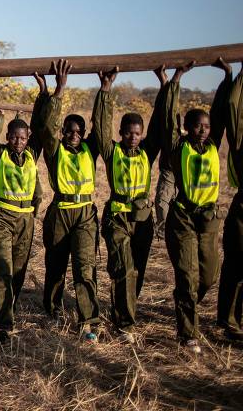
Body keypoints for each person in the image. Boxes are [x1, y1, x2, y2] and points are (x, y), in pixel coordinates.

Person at [161, 61, 231, 353]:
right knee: (187, 276)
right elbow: (167, 119)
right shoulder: (179, 148)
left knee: (210, 274)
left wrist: (228, 77)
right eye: (196, 126)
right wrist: (174, 80)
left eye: (205, 126)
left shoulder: (214, 144)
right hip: (183, 219)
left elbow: (220, 110)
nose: (202, 130)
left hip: (209, 219)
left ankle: (185, 299)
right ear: (186, 128)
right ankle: (187, 333)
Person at [93, 66, 167, 342]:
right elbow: (100, 127)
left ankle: (124, 309)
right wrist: (105, 91)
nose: (133, 137)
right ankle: (125, 325)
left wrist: (165, 87)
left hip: (143, 220)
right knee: (123, 268)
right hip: (117, 218)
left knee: (137, 271)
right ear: (121, 132)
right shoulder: (112, 153)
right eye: (128, 133)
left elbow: (161, 123)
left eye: (137, 134)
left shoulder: (148, 151)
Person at [0, 74, 44, 342]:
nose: (18, 141)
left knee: (18, 271)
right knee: (2, 268)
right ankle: (3, 325)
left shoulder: (32, 154)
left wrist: (44, 94)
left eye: (23, 138)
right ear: (7, 138)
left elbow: (41, 125)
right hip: (2, 217)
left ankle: (9, 309)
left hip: (26, 219)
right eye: (14, 137)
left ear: (28, 139)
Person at [38, 60, 102, 342]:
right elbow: (48, 128)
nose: (74, 135)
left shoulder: (91, 149)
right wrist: (59, 91)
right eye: (69, 131)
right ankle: (52, 309)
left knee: (85, 266)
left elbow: (103, 125)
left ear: (84, 134)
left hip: (85, 213)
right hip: (60, 212)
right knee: (55, 263)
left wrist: (105, 89)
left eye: (79, 132)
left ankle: (87, 321)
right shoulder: (54, 151)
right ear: (63, 132)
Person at [217, 57, 243, 341]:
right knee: (236, 266)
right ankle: (230, 321)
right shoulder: (239, 144)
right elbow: (234, 107)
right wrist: (235, 77)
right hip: (242, 210)